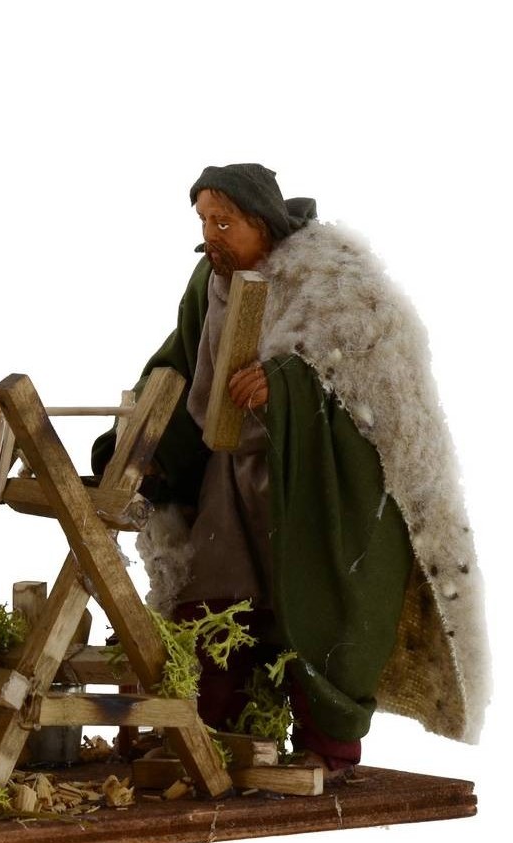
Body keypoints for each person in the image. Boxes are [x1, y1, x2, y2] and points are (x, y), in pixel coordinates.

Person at [92, 164, 488, 774]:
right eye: (203, 221)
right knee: (211, 599)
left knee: (316, 608)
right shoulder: (209, 281)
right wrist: (135, 440)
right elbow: (177, 362)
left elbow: (368, 376)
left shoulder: (332, 282)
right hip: (229, 478)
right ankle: (209, 734)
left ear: (263, 222)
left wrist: (284, 385)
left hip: (310, 483)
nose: (210, 235)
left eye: (224, 222)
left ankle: (325, 750)